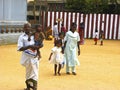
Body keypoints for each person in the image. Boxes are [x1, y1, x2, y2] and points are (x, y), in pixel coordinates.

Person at [17, 23, 41, 90]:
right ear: (23, 28)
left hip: (34, 57)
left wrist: (39, 52)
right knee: (28, 72)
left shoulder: (34, 36)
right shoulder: (21, 37)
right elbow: (20, 48)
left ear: (31, 28)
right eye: (26, 27)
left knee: (35, 71)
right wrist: (29, 46)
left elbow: (38, 45)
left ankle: (34, 87)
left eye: (28, 27)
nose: (27, 28)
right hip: (26, 57)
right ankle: (28, 87)